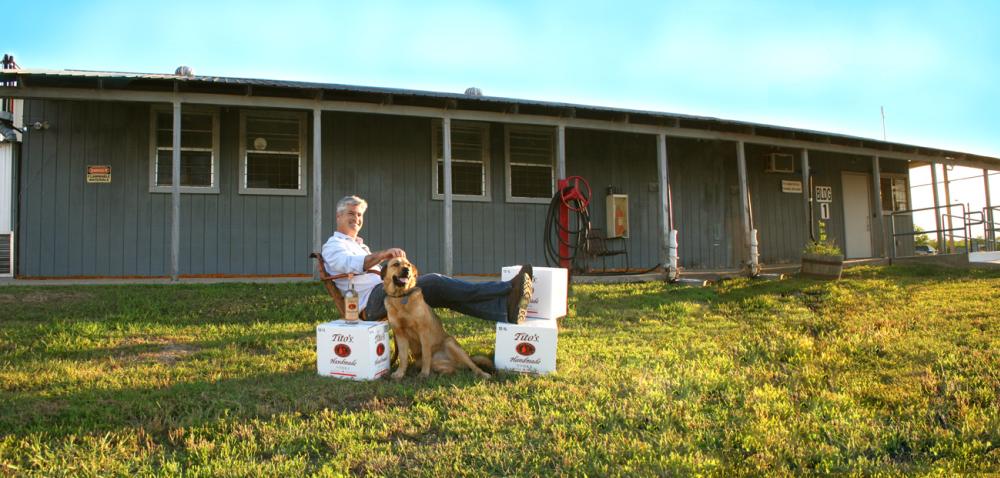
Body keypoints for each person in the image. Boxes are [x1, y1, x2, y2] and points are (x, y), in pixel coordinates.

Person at [322, 195, 533, 324]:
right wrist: (384, 255)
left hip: (388, 291)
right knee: (435, 281)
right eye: (351, 213)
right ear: (338, 216)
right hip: (370, 303)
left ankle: (505, 311)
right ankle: (506, 288)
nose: (357, 219)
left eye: (360, 215)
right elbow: (352, 265)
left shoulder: (359, 245)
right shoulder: (333, 246)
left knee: (441, 295)